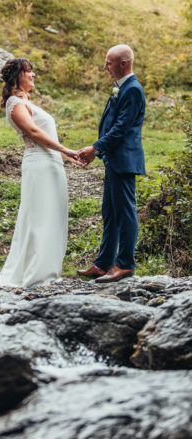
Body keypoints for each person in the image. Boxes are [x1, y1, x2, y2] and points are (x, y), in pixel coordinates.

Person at [0, 58, 82, 288]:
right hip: (39, 165)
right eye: (28, 71)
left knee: (53, 215)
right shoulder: (15, 103)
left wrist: (63, 156)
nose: (33, 75)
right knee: (39, 217)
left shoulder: (26, 102)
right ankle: (35, 274)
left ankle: (47, 270)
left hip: (51, 164)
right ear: (17, 76)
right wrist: (66, 150)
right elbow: (32, 131)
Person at [77, 44, 146, 283]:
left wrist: (96, 148)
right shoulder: (122, 88)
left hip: (124, 160)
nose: (105, 67)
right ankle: (104, 263)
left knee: (125, 211)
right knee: (110, 212)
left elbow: (121, 128)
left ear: (123, 63)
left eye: (108, 63)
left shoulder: (133, 89)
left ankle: (125, 263)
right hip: (114, 160)